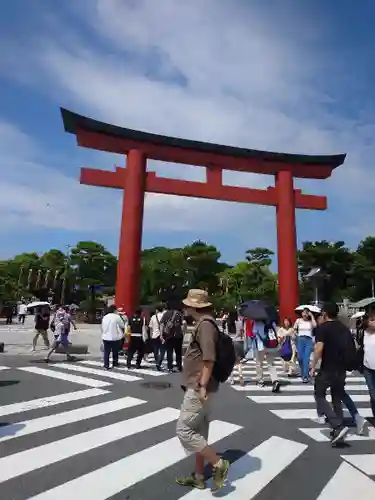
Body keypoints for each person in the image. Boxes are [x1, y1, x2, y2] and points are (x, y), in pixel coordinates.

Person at [176, 289, 230, 491]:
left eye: (187, 304)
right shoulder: (204, 323)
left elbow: (209, 358)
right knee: (199, 431)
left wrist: (202, 386)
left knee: (184, 430)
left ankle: (218, 464)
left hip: (200, 386)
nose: (185, 307)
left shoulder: (206, 325)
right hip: (204, 385)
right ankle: (198, 476)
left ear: (194, 306)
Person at [310, 302, 351, 445]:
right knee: (337, 397)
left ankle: (337, 426)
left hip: (328, 367)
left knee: (319, 394)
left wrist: (313, 365)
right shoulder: (344, 328)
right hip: (342, 368)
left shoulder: (323, 328)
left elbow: (318, 349)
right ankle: (338, 428)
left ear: (325, 314)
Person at [357, 310, 375, 418]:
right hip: (368, 368)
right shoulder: (363, 333)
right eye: (372, 320)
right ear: (367, 321)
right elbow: (360, 348)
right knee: (373, 396)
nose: (374, 323)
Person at [158, 304, 184, 373]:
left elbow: (162, 324)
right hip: (178, 336)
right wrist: (182, 334)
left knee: (169, 352)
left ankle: (170, 367)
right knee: (178, 352)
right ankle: (179, 366)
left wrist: (161, 335)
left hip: (168, 336)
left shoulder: (166, 314)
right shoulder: (179, 314)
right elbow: (183, 325)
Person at [294, 308, 317, 383]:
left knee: (306, 358)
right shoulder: (298, 320)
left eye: (306, 313)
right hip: (300, 339)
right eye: (304, 313)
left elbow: (315, 325)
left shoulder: (311, 322)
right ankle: (303, 371)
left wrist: (312, 315)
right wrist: (296, 334)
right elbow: (294, 329)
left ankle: (305, 376)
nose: (305, 314)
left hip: (308, 340)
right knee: (300, 358)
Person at [101, 305, 125, 369]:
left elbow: (102, 327)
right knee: (115, 351)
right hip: (114, 337)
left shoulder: (105, 317)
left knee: (106, 351)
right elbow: (122, 325)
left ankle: (106, 364)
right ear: (114, 310)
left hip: (105, 337)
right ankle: (115, 363)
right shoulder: (116, 317)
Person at [228, 313, 245, 385]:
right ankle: (240, 374)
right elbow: (242, 332)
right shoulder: (240, 323)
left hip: (231, 342)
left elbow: (226, 333)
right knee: (238, 361)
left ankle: (231, 379)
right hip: (239, 342)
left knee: (230, 362)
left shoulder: (228, 323)